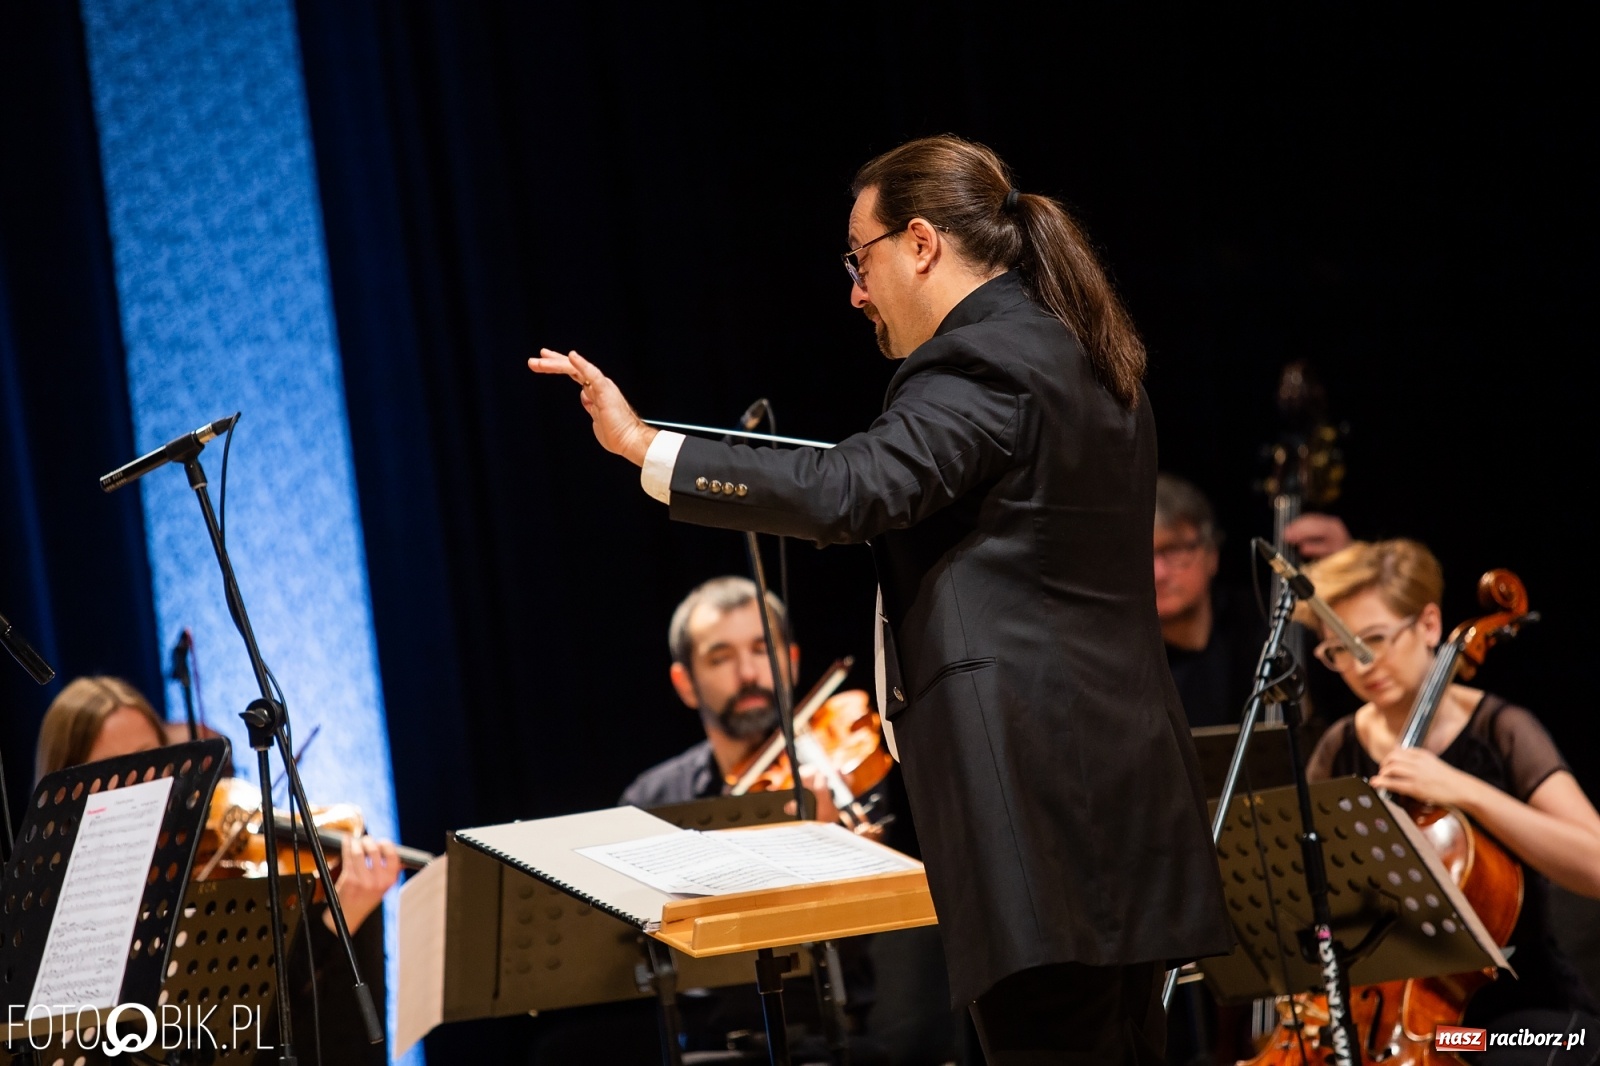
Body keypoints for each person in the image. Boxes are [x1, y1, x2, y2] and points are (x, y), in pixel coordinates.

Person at [532, 134, 1233, 1064]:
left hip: (1040, 822)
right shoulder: (1080, 355)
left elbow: (851, 491)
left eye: (859, 261)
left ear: (920, 243)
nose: (855, 293)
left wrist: (644, 450)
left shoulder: (981, 360)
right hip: (1115, 814)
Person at [618, 575, 966, 1066]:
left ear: (792, 660)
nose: (748, 673)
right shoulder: (653, 800)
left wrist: (826, 847)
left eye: (763, 649)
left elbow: (869, 929)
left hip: (834, 1033)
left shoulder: (833, 766)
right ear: (685, 683)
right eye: (721, 657)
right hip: (712, 1042)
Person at [1300, 540, 1600, 1063]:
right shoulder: (1339, 747)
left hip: (1515, 1016)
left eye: (1374, 639)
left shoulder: (1501, 730)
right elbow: (1309, 897)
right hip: (1383, 1018)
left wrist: (1466, 791)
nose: (1359, 663)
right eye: (1338, 650)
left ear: (1429, 625)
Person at [34, 675, 399, 1065]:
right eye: (116, 773)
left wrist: (332, 926)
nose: (142, 787)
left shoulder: (209, 885)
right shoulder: (58, 924)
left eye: (151, 762)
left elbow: (259, 1034)